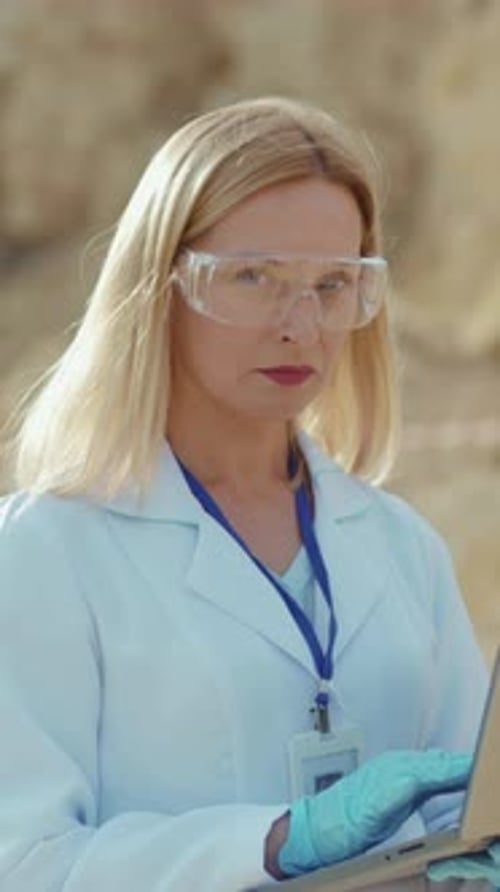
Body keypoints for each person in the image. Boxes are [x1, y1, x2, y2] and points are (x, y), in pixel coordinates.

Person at [0, 96, 495, 892]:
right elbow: (22, 862)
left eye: (335, 283)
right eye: (254, 277)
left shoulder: (402, 545)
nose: (302, 323)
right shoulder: (46, 551)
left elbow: (469, 816)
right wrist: (273, 844)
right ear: (160, 287)